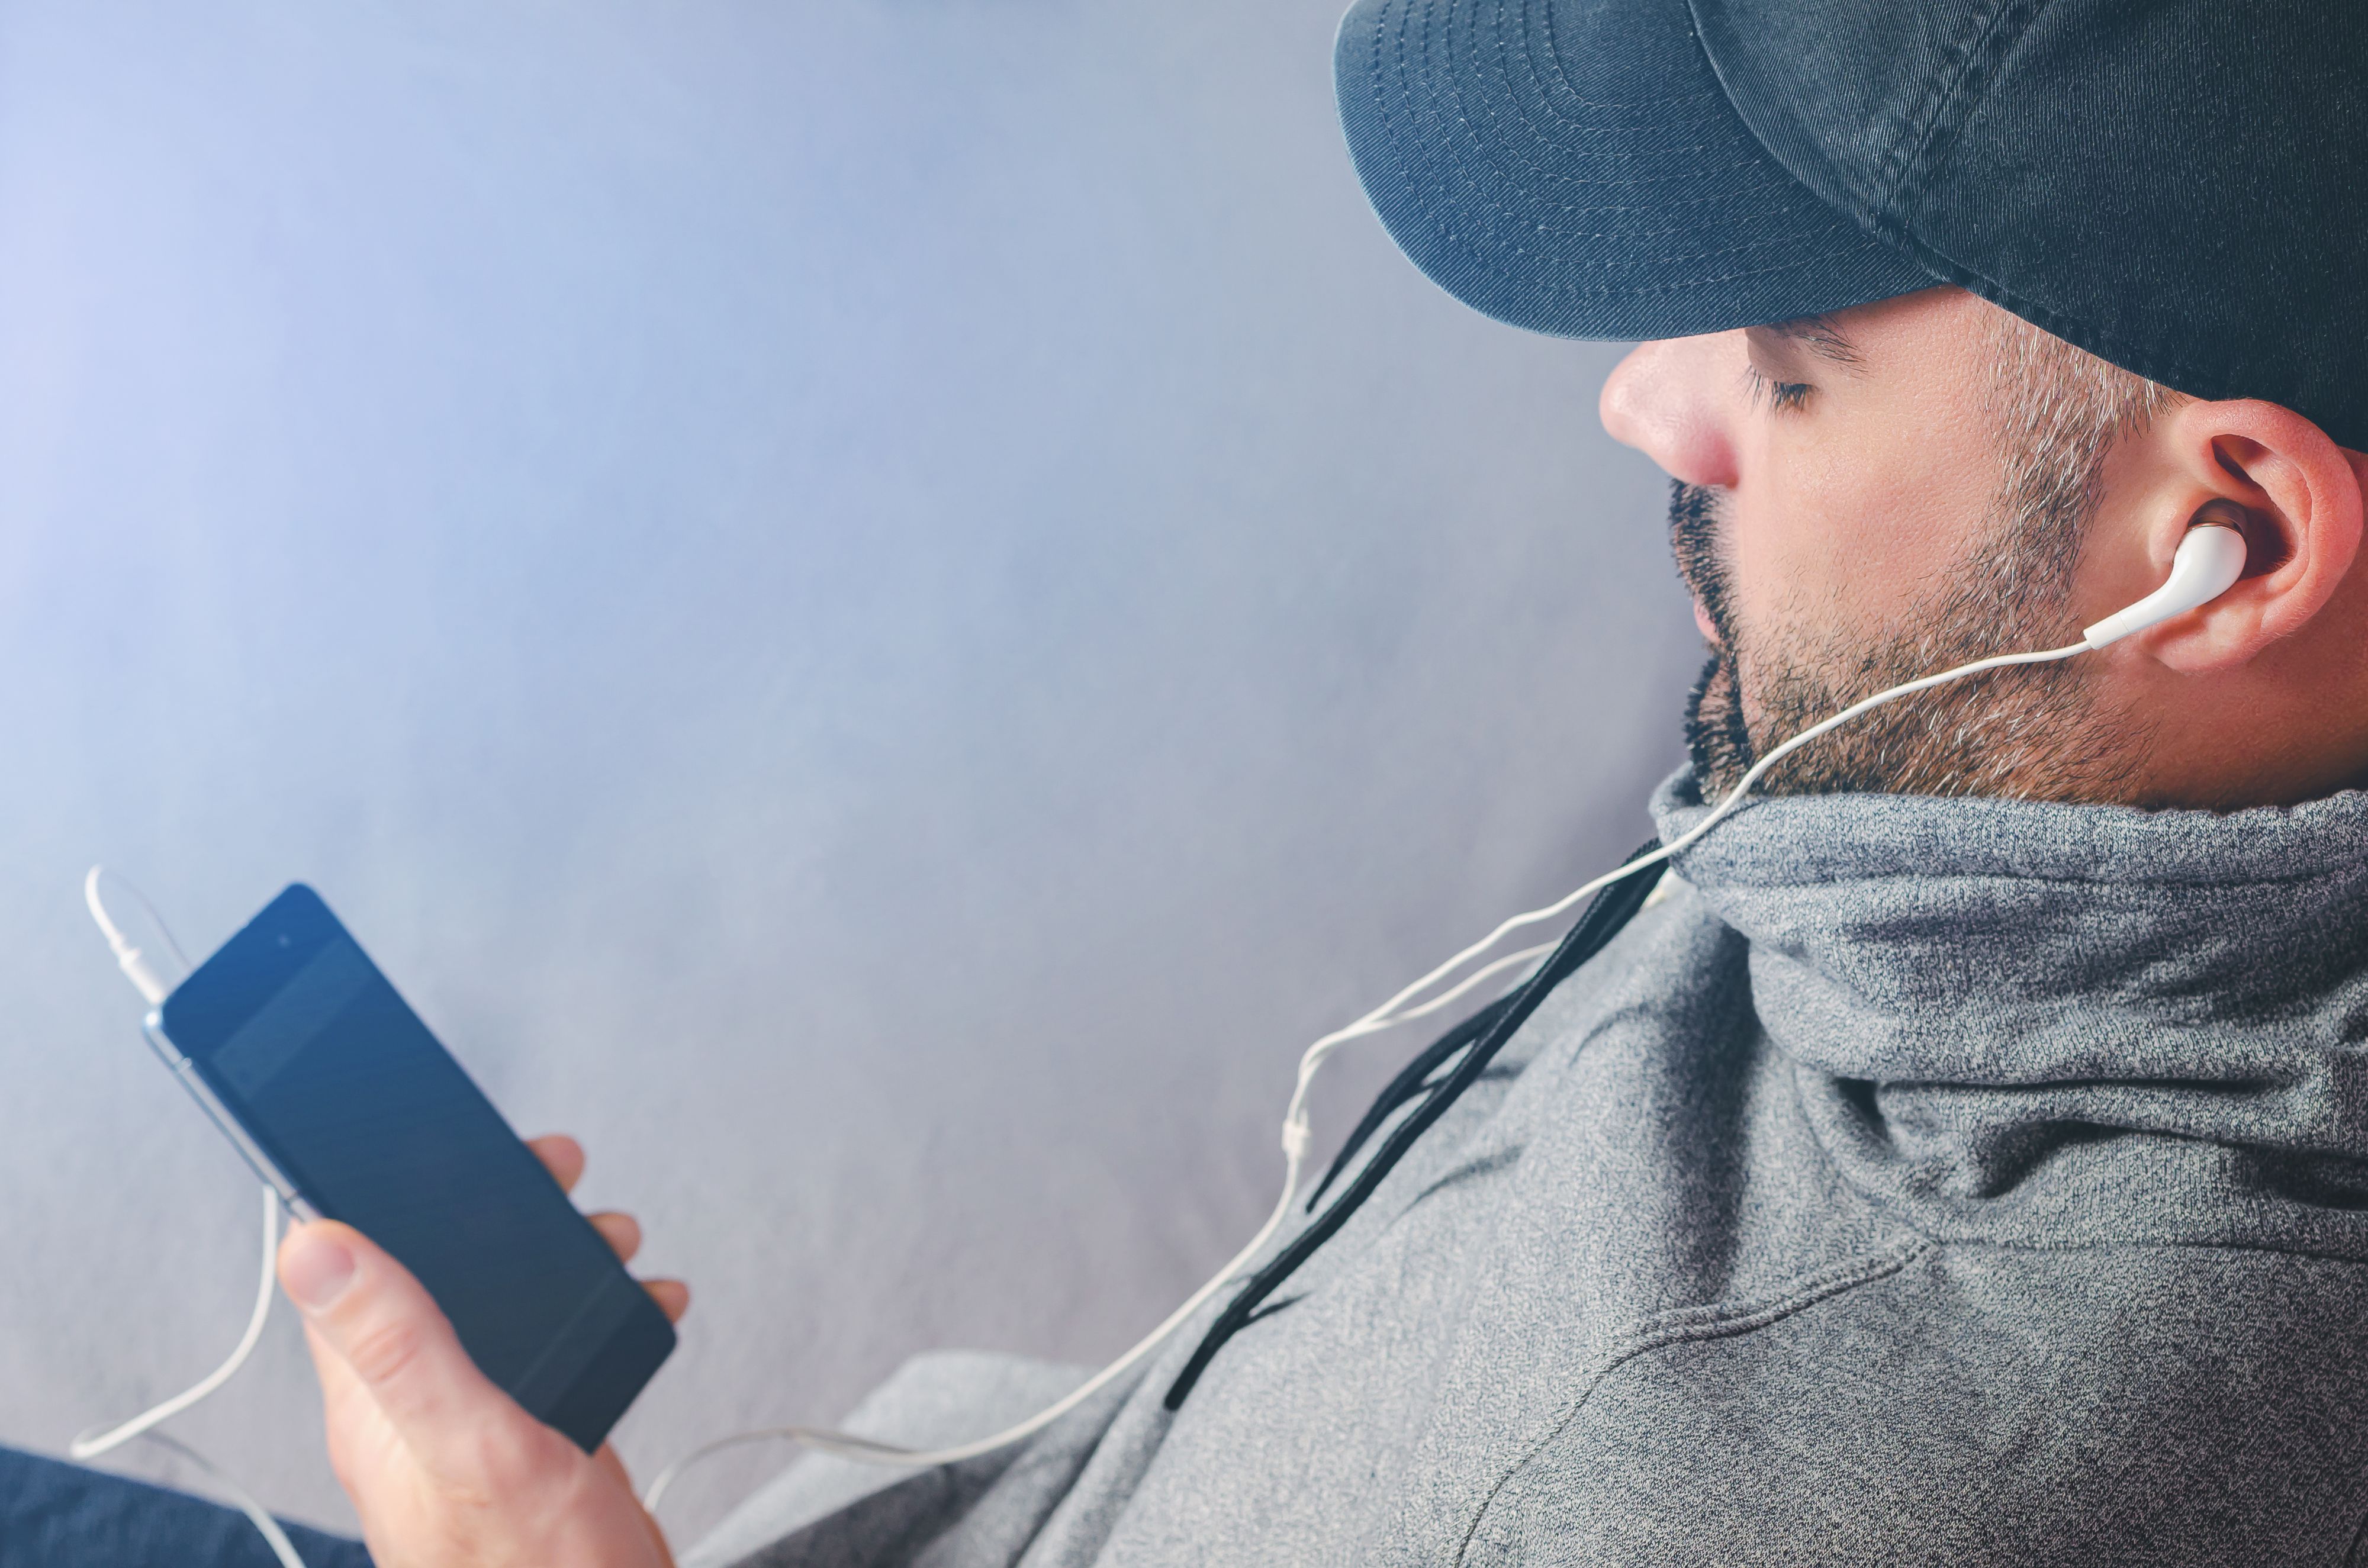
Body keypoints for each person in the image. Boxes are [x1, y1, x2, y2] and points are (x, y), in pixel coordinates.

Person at [12, 0, 2368, 1561]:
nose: (1645, 404)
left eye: (1790, 361)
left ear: (2230, 544)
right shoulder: (2016, 805)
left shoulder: (1801, 1487)